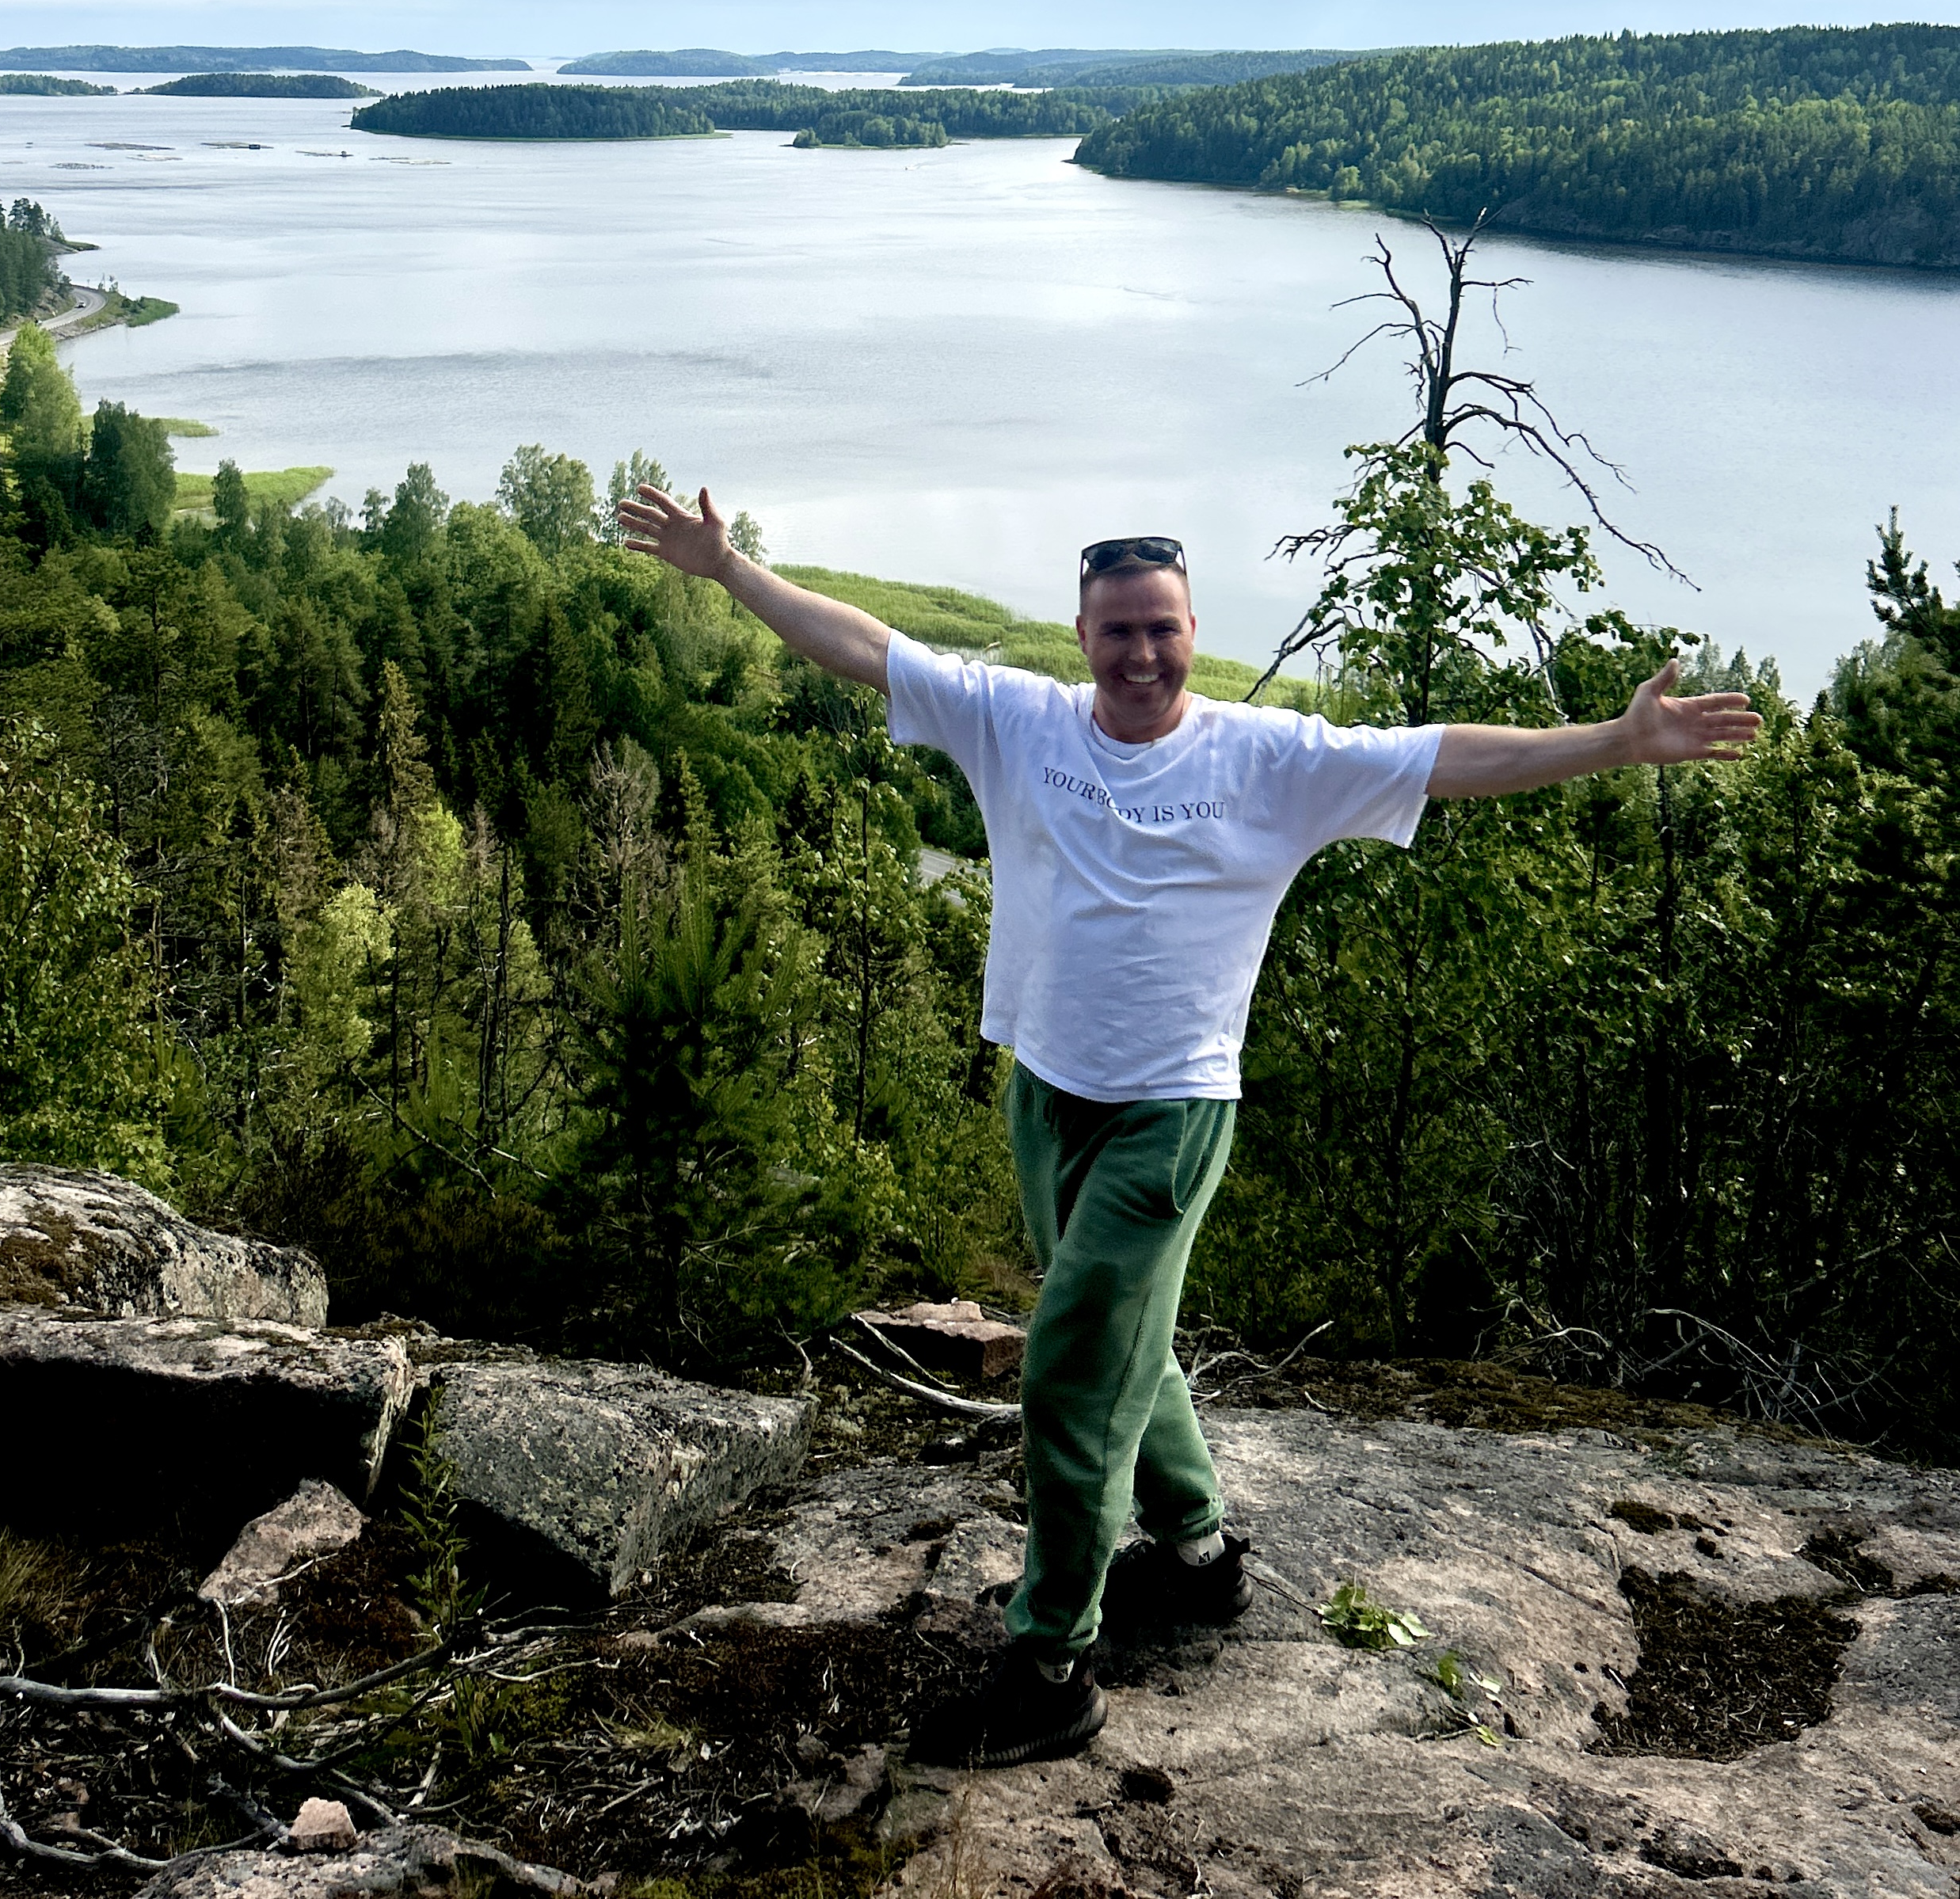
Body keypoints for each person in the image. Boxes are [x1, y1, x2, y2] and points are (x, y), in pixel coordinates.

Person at [615, 485, 1761, 1769]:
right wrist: (729, 570)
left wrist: (1611, 739)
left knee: (1068, 1365)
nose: (1142, 655)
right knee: (1122, 1337)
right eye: (1117, 632)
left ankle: (1050, 1667)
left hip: (1171, 1106)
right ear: (1082, 635)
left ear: (1192, 628)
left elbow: (1443, 757)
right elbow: (868, 646)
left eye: (1161, 629)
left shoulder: (1263, 759)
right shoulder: (1019, 723)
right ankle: (1199, 1553)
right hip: (1046, 1093)